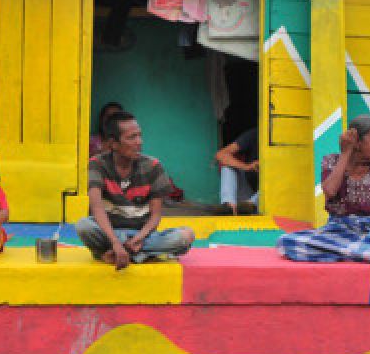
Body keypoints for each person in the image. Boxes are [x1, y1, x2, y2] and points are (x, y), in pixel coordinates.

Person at [277, 114, 370, 264]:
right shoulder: (331, 161)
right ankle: (359, 253)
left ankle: (346, 253)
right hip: (339, 231)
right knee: (286, 242)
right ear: (357, 143)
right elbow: (330, 191)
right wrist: (345, 153)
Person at [74, 111, 196, 270]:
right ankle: (140, 254)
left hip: (142, 236)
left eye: (140, 135)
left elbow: (156, 215)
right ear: (113, 143)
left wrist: (138, 238)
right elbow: (96, 209)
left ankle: (112, 254)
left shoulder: (153, 166)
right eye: (132, 137)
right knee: (84, 226)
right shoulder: (97, 164)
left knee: (186, 236)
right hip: (111, 233)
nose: (139, 142)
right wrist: (115, 241)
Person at [213, 127, 258, 214]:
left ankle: (251, 204)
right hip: (247, 194)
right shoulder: (255, 134)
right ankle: (229, 206)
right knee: (227, 166)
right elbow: (221, 154)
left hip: (262, 198)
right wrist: (246, 166)